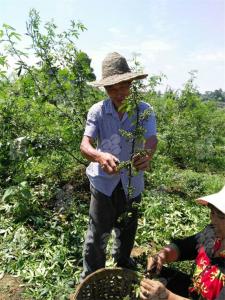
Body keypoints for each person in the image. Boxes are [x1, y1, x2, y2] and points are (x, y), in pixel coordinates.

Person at [80, 52, 158, 280]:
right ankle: (92, 275)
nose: (119, 93)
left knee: (127, 228)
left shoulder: (144, 111)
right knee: (97, 233)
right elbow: (85, 144)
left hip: (132, 183)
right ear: (105, 89)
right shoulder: (98, 111)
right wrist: (99, 156)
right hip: (103, 184)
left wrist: (148, 154)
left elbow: (152, 139)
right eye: (112, 89)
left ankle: (123, 262)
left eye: (123, 86)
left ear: (131, 84)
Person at [140, 185, 225, 300]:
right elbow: (184, 247)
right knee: (152, 278)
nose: (212, 219)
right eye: (212, 212)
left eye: (219, 215)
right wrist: (163, 255)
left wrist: (167, 297)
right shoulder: (213, 233)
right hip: (193, 291)